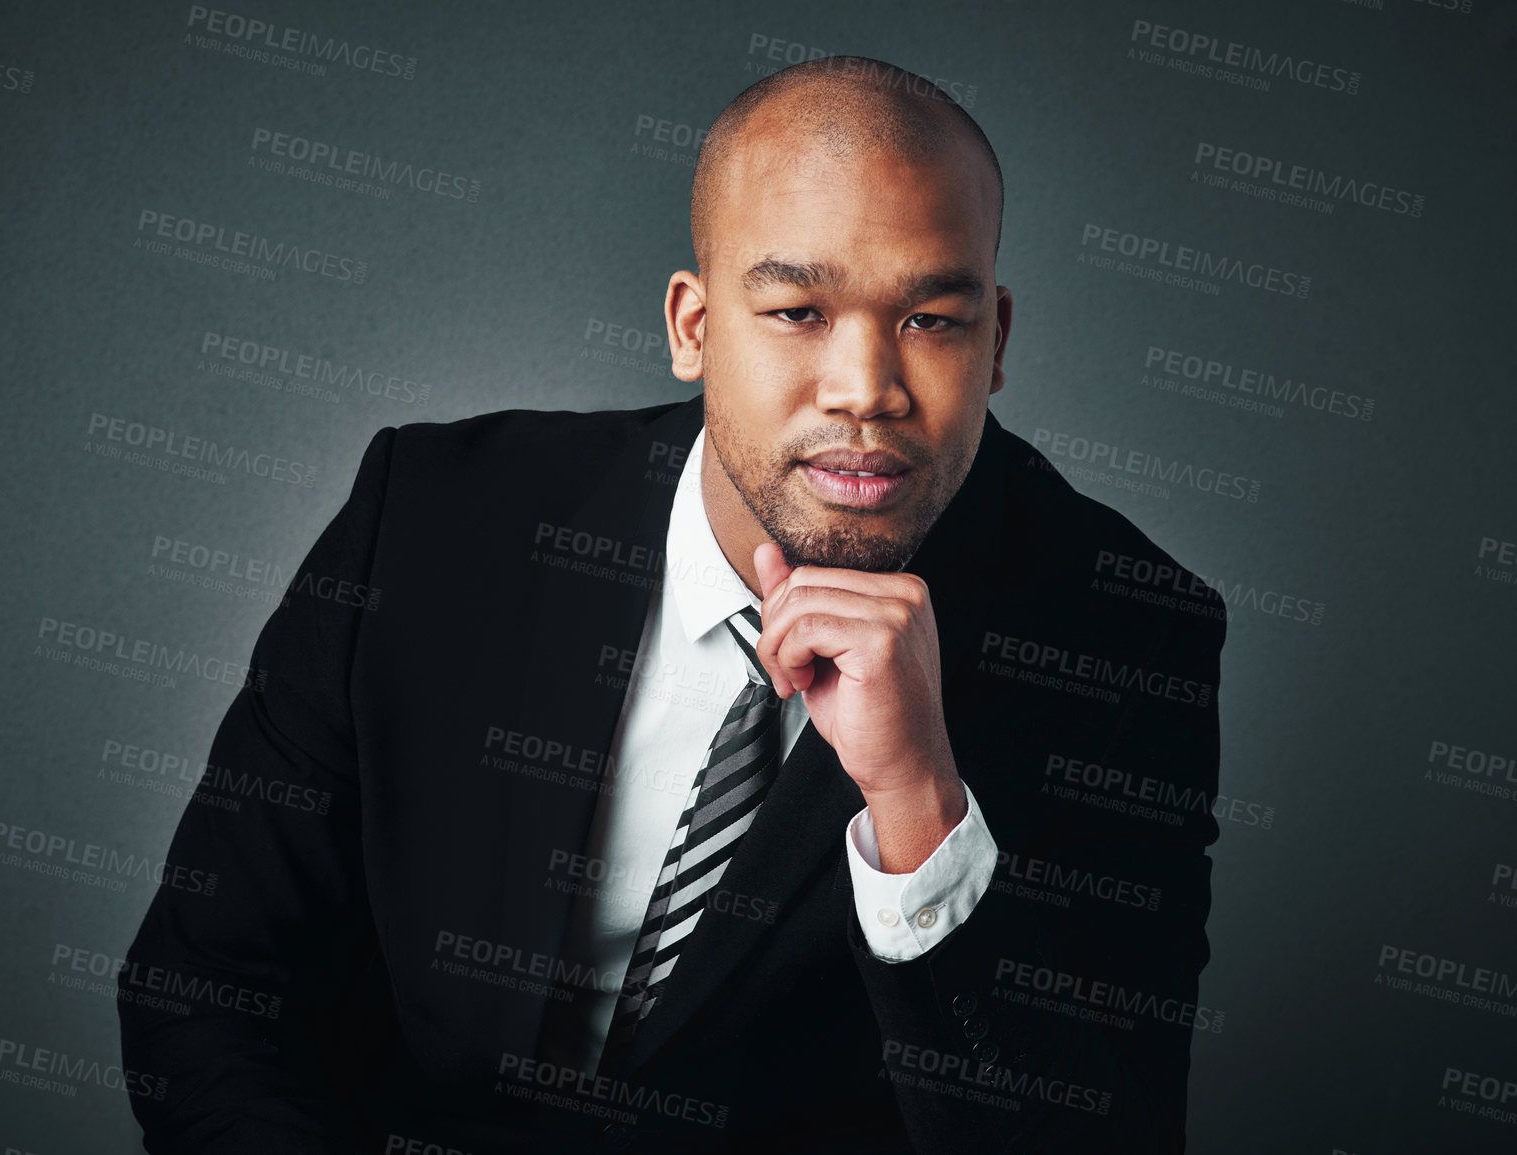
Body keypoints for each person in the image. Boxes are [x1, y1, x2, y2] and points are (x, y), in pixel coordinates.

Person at [119, 54, 1227, 1154]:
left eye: (934, 320)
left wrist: (919, 808)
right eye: (797, 310)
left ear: (998, 343)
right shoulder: (434, 519)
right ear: (694, 327)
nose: (867, 389)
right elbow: (208, 987)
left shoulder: (1119, 635)